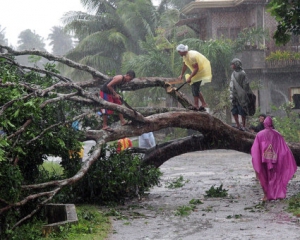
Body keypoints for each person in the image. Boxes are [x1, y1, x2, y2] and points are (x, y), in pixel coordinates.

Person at [251, 116, 297, 201]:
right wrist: (284, 158)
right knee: (276, 177)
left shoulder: (259, 134)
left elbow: (255, 149)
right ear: (272, 123)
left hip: (263, 160)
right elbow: (283, 149)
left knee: (264, 178)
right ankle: (278, 194)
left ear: (264, 123)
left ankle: (265, 195)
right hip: (275, 160)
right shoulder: (277, 134)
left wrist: (257, 160)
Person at [176, 44, 212, 111]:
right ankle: (204, 103)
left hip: (201, 71)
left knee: (194, 87)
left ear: (182, 51)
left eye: (179, 51)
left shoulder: (191, 56)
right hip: (197, 71)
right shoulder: (185, 56)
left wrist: (190, 77)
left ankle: (196, 105)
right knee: (196, 88)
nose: (178, 53)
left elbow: (196, 68)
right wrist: (181, 75)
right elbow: (185, 65)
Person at [229, 58, 251, 131]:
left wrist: (245, 93)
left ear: (236, 64)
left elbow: (246, 84)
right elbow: (232, 83)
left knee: (242, 111)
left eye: (233, 64)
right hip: (234, 95)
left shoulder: (242, 73)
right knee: (234, 110)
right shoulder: (233, 73)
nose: (232, 66)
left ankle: (244, 125)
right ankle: (238, 124)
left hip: (241, 95)